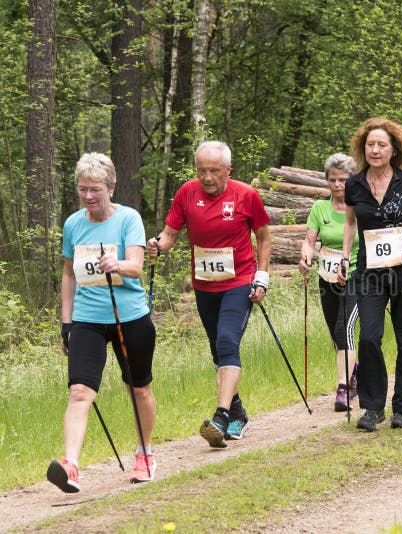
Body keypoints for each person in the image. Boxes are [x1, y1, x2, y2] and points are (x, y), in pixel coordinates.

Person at [147, 141, 270, 448]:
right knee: (218, 350)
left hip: (239, 281)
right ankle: (239, 413)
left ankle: (221, 415)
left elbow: (264, 237)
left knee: (228, 341)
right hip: (204, 285)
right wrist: (157, 245)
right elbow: (171, 233)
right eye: (201, 170)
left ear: (228, 170)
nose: (207, 177)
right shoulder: (186, 193)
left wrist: (262, 277)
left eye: (214, 171)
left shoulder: (246, 195)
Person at [50, 153, 157, 492]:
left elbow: (137, 267)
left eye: (95, 189)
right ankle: (70, 465)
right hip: (87, 318)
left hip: (129, 315)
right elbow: (68, 275)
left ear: (111, 187)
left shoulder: (129, 219)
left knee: (138, 387)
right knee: (80, 391)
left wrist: (118, 263)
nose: (88, 196)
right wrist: (66, 322)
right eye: (83, 189)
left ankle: (144, 454)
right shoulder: (72, 224)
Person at [338, 118, 402, 432]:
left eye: (382, 145)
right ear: (362, 149)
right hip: (369, 271)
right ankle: (373, 407)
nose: (375, 150)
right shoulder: (354, 184)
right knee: (368, 337)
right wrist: (343, 256)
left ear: (394, 150)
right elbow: (350, 224)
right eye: (370, 145)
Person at [299, 153, 360, 412]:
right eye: (333, 180)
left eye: (344, 180)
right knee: (336, 336)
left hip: (357, 275)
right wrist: (305, 257)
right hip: (327, 277)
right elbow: (309, 240)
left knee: (343, 329)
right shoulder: (319, 208)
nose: (338, 185)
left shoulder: (359, 207)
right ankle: (354, 371)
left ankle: (343, 389)